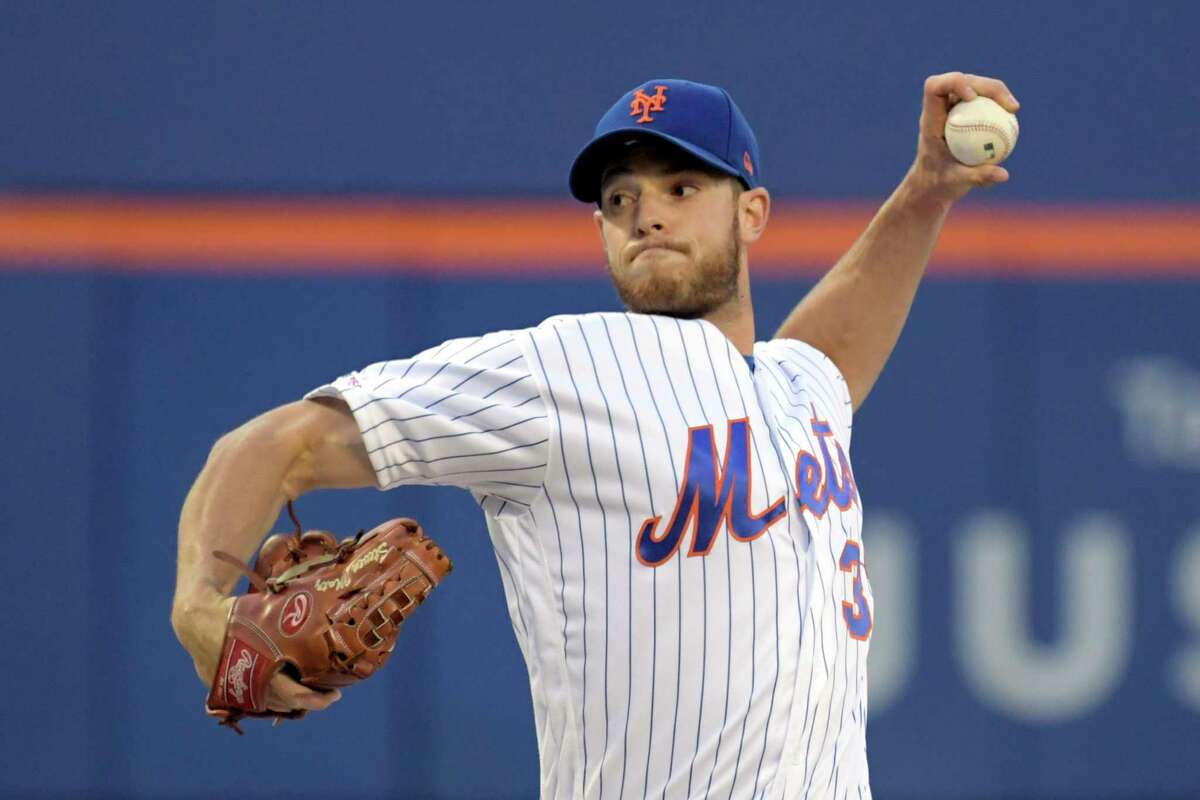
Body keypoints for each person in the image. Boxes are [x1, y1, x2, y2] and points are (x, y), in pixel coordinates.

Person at [172, 73, 1017, 799]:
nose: (646, 214)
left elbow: (830, 353)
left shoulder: (797, 391)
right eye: (621, 199)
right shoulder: (560, 371)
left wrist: (926, 190)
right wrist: (199, 604)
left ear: (752, 213)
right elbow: (274, 444)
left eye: (681, 188)